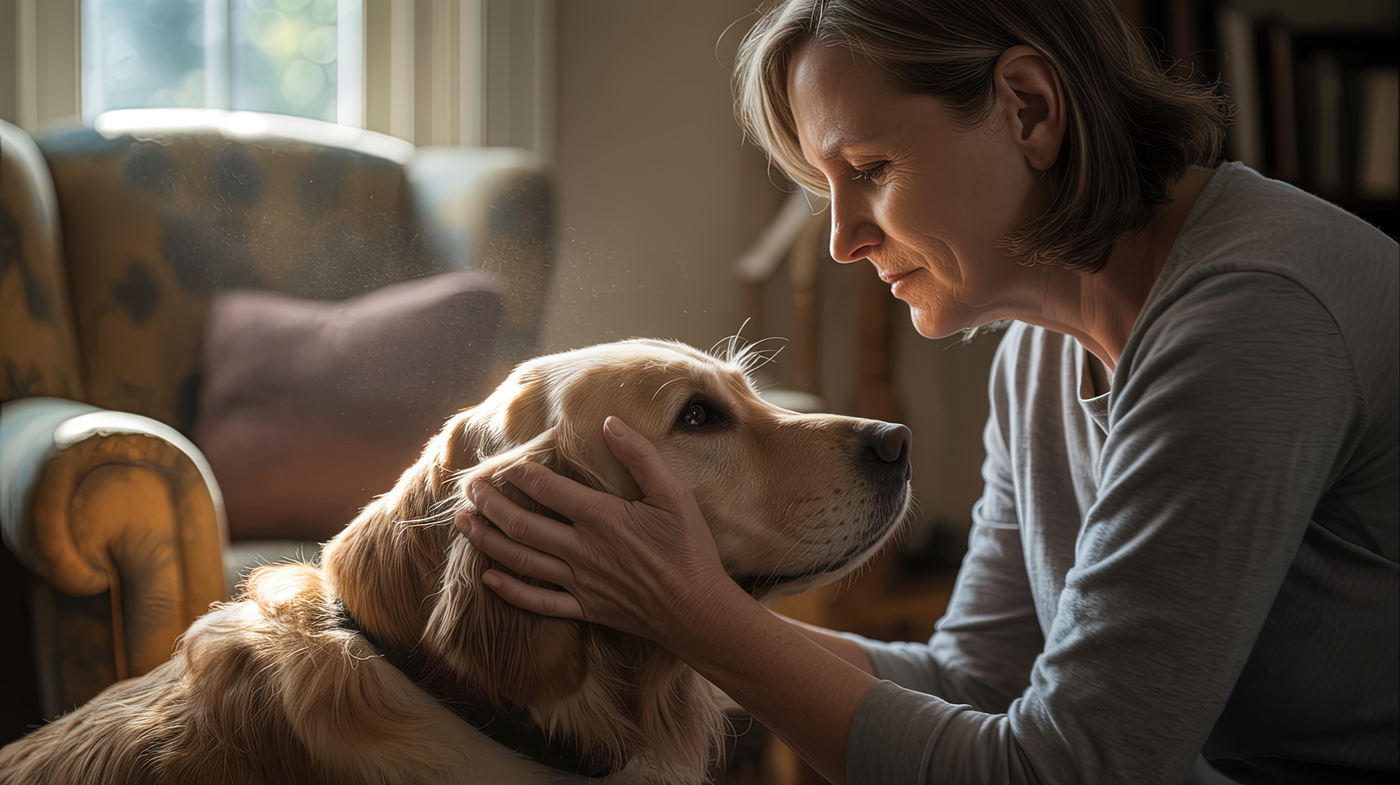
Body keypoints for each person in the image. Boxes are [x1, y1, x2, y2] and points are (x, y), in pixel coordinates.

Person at [455, 0, 1400, 782]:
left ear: (1029, 109)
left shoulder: (1253, 313)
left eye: (869, 170)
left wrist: (704, 620)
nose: (843, 239)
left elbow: (1075, 771)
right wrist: (657, 608)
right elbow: (976, 679)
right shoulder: (1042, 346)